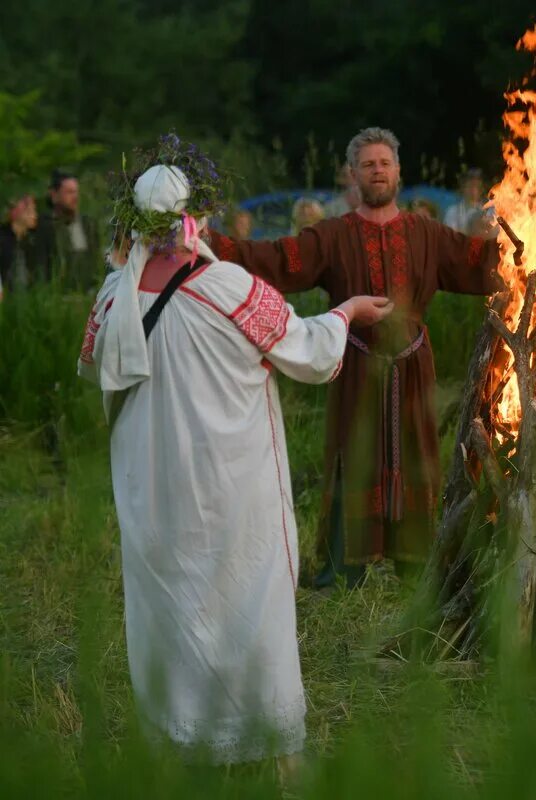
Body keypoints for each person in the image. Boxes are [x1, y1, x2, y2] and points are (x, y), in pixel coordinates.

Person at [77, 155, 393, 769]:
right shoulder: (229, 288)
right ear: (196, 216)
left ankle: (178, 735)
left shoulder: (112, 297)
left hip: (153, 490)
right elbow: (306, 351)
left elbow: (95, 368)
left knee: (170, 604)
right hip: (231, 488)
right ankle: (265, 745)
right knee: (247, 599)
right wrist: (348, 311)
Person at [207, 126, 512, 586]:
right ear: (353, 174)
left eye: (384, 163)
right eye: (368, 164)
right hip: (353, 362)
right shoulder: (331, 236)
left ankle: (416, 565)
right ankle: (340, 568)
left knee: (415, 456)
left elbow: (479, 260)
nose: (377, 171)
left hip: (412, 366)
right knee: (353, 453)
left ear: (398, 171)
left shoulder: (426, 233)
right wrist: (210, 244)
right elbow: (276, 259)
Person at [45, 169, 102, 289]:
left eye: (76, 192)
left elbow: (97, 260)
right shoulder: (47, 228)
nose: (75, 197)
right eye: (69, 192)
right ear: (55, 195)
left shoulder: (88, 225)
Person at [0, 194, 52, 296]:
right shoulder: (3, 240)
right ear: (17, 212)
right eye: (30, 211)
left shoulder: (30, 241)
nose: (35, 215)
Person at [443, 168, 485, 233]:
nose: (473, 190)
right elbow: (449, 236)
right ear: (463, 188)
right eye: (470, 186)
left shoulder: (487, 212)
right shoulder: (452, 212)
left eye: (477, 186)